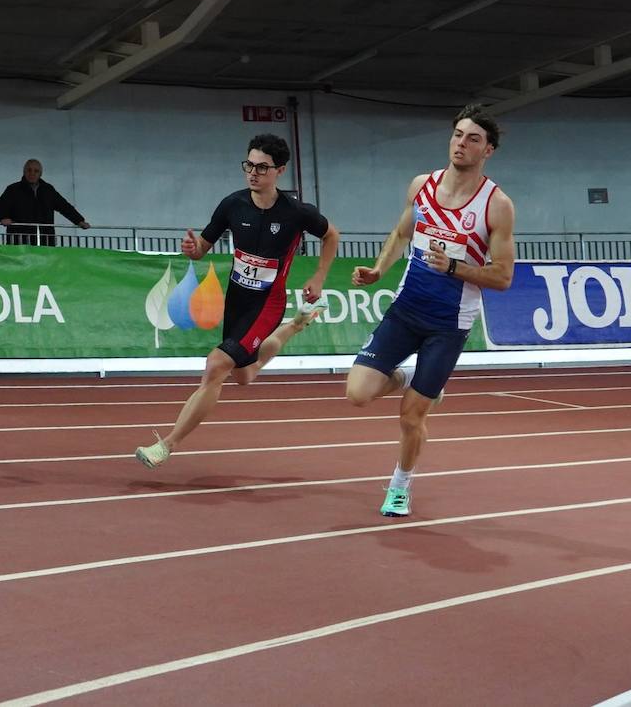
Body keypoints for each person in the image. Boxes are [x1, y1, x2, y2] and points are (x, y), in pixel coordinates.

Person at [344, 105, 515, 518]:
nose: (461, 143)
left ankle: (400, 485)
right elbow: (403, 231)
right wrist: (379, 269)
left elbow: (504, 276)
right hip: (406, 309)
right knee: (358, 393)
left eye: (472, 138)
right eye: (458, 134)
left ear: (487, 150)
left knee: (411, 416)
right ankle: (409, 378)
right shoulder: (423, 185)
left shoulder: (496, 205)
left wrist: (454, 267)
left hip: (448, 324)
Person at [134, 134, 340, 468]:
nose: (253, 173)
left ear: (280, 170)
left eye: (262, 167)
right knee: (243, 376)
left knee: (217, 365)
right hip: (237, 299)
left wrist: (318, 277)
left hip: (267, 304)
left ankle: (167, 445)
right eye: (249, 165)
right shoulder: (232, 204)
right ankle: (296, 326)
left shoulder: (296, 212)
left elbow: (333, 235)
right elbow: (202, 247)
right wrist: (193, 250)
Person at [0, 159, 91, 246]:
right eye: (29, 170)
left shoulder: (48, 190)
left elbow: (64, 207)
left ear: (40, 174)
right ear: (24, 172)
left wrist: (79, 221)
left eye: (36, 171)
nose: (32, 173)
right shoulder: (13, 189)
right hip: (19, 241)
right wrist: (3, 218)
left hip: (46, 240)